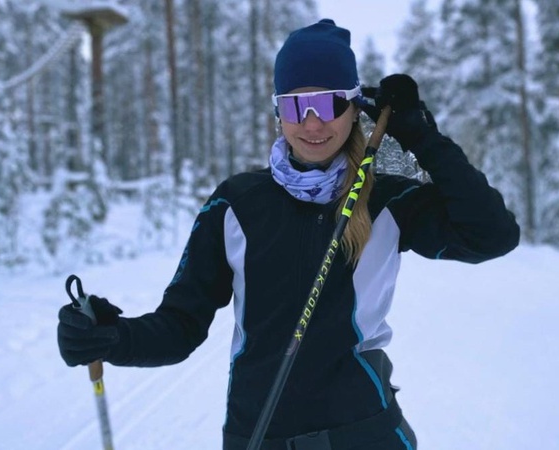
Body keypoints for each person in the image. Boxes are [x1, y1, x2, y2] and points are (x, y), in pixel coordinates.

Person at [57, 18, 520, 450]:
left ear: (354, 108)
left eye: (329, 103)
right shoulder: (236, 205)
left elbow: (492, 234)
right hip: (260, 436)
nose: (313, 123)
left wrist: (421, 137)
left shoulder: (387, 202)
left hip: (365, 434)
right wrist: (111, 337)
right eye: (296, 106)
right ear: (278, 112)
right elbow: (180, 326)